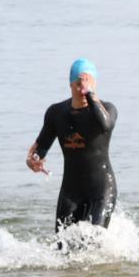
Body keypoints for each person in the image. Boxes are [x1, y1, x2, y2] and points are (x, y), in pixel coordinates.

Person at [27, 59, 118, 243]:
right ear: (70, 84)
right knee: (63, 248)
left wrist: (90, 94)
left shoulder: (107, 109)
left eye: (88, 83)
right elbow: (41, 148)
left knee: (92, 244)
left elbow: (105, 125)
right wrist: (33, 161)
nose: (83, 89)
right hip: (71, 192)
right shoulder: (56, 113)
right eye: (79, 84)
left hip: (101, 190)